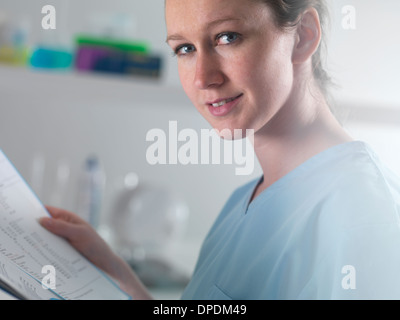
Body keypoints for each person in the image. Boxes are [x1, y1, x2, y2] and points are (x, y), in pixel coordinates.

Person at [39, 0, 400, 299]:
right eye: (185, 49)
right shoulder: (244, 202)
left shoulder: (362, 211)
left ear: (303, 37)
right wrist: (118, 277)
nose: (201, 77)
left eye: (227, 37)